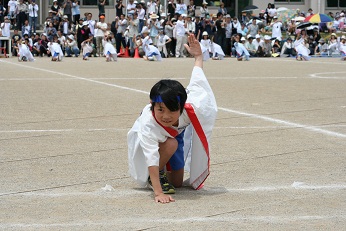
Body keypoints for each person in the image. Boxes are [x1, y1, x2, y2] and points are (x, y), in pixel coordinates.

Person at [127, 34, 217, 203]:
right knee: (171, 144)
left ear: (183, 106)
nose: (166, 116)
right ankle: (156, 176)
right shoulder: (148, 123)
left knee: (177, 183)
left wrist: (198, 56)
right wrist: (158, 193)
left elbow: (198, 81)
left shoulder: (192, 106)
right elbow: (151, 157)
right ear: (152, 104)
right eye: (160, 109)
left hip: (177, 132)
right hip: (160, 138)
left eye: (172, 110)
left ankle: (165, 169)